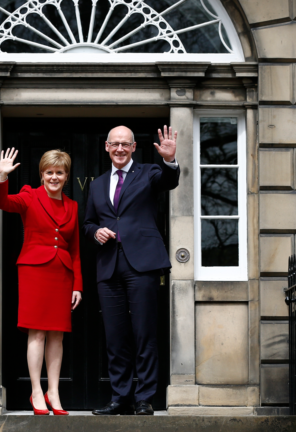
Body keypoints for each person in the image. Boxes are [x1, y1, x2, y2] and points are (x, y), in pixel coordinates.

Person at [84, 125, 179, 416]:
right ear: (107, 147)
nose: (120, 149)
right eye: (115, 144)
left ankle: (144, 398)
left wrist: (170, 160)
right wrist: (96, 232)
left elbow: (169, 180)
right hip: (109, 266)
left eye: (126, 144)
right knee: (115, 337)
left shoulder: (150, 172)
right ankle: (120, 397)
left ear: (134, 147)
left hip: (143, 265)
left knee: (144, 334)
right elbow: (87, 222)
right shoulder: (98, 184)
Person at [0, 148, 83, 416]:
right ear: (42, 174)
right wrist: (2, 176)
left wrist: (78, 284)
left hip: (62, 273)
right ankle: (36, 391)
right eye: (49, 172)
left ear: (66, 176)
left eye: (59, 172)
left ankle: (53, 392)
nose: (54, 177)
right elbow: (2, 203)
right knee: (38, 332)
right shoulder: (29, 196)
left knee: (57, 335)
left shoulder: (73, 205)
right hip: (34, 271)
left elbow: (76, 249)